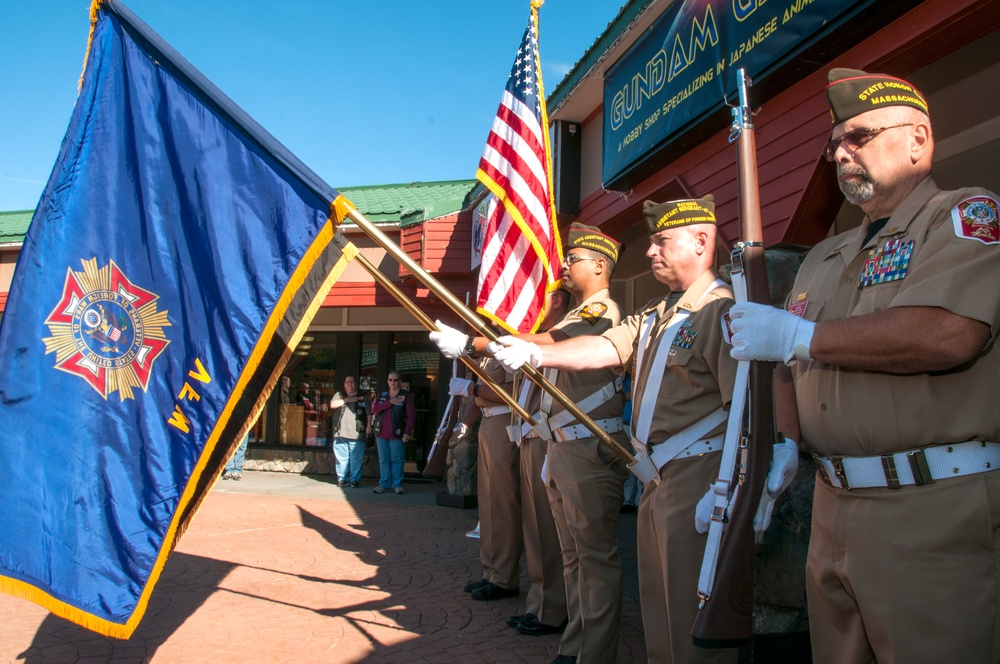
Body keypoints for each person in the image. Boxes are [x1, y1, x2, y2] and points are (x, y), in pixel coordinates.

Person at [728, 68, 1000, 663]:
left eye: (860, 136)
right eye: (835, 144)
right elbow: (785, 363)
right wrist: (788, 443)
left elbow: (948, 333)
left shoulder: (961, 216)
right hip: (832, 503)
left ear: (918, 139)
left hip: (929, 508)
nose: (842, 152)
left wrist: (800, 335)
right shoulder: (826, 253)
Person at [491, 201, 779, 663]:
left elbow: (748, 412)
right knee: (661, 613)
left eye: (662, 241)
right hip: (657, 477)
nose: (650, 252)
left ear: (702, 242)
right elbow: (602, 348)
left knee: (692, 615)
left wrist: (744, 490)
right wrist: (531, 352)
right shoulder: (658, 313)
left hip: (701, 476)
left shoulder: (720, 310)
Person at [433, 223, 629, 664]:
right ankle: (577, 644)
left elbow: (548, 341)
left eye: (573, 259)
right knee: (575, 557)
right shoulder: (584, 312)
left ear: (600, 266)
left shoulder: (602, 312)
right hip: (562, 443)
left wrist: (472, 343)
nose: (564, 265)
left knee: (592, 559)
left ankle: (593, 653)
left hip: (586, 447)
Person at [370, 371, 415, 495]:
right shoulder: (383, 395)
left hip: (397, 433)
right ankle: (384, 484)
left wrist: (407, 432)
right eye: (390, 380)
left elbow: (411, 416)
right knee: (384, 459)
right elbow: (374, 409)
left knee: (397, 459)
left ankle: (397, 485)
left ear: (399, 381)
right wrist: (389, 403)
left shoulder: (405, 396)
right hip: (381, 433)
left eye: (395, 380)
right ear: (387, 381)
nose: (393, 382)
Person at [329, 375, 369, 488]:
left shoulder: (363, 396)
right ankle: (343, 480)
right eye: (348, 382)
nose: (350, 384)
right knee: (341, 458)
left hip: (357, 433)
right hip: (340, 433)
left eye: (352, 382)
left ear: (355, 384)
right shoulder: (339, 395)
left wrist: (368, 427)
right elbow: (332, 405)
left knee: (356, 458)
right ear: (344, 384)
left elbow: (369, 413)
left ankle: (354, 480)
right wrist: (347, 400)